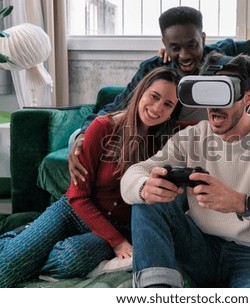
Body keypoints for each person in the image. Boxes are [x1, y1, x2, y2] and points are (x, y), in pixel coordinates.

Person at [120, 52, 250, 288]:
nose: (214, 108)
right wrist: (144, 187)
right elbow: (134, 174)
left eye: (224, 95)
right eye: (209, 95)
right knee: (146, 198)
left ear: (248, 97)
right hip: (199, 246)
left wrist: (240, 203)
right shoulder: (192, 137)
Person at [0, 67, 182, 288]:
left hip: (118, 225)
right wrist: (117, 243)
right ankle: (17, 240)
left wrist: (117, 238)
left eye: (167, 104)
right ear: (141, 92)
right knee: (6, 270)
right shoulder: (102, 127)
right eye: (154, 97)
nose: (157, 108)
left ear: (173, 110)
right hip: (73, 210)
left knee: (71, 258)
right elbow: (78, 197)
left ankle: (30, 248)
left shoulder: (166, 144)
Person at [69, 6, 250, 185]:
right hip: (169, 145)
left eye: (192, 45)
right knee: (75, 138)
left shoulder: (220, 56)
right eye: (175, 47)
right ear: (164, 44)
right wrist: (82, 136)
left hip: (212, 145)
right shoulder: (155, 68)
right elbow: (116, 107)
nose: (184, 55)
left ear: (203, 39)